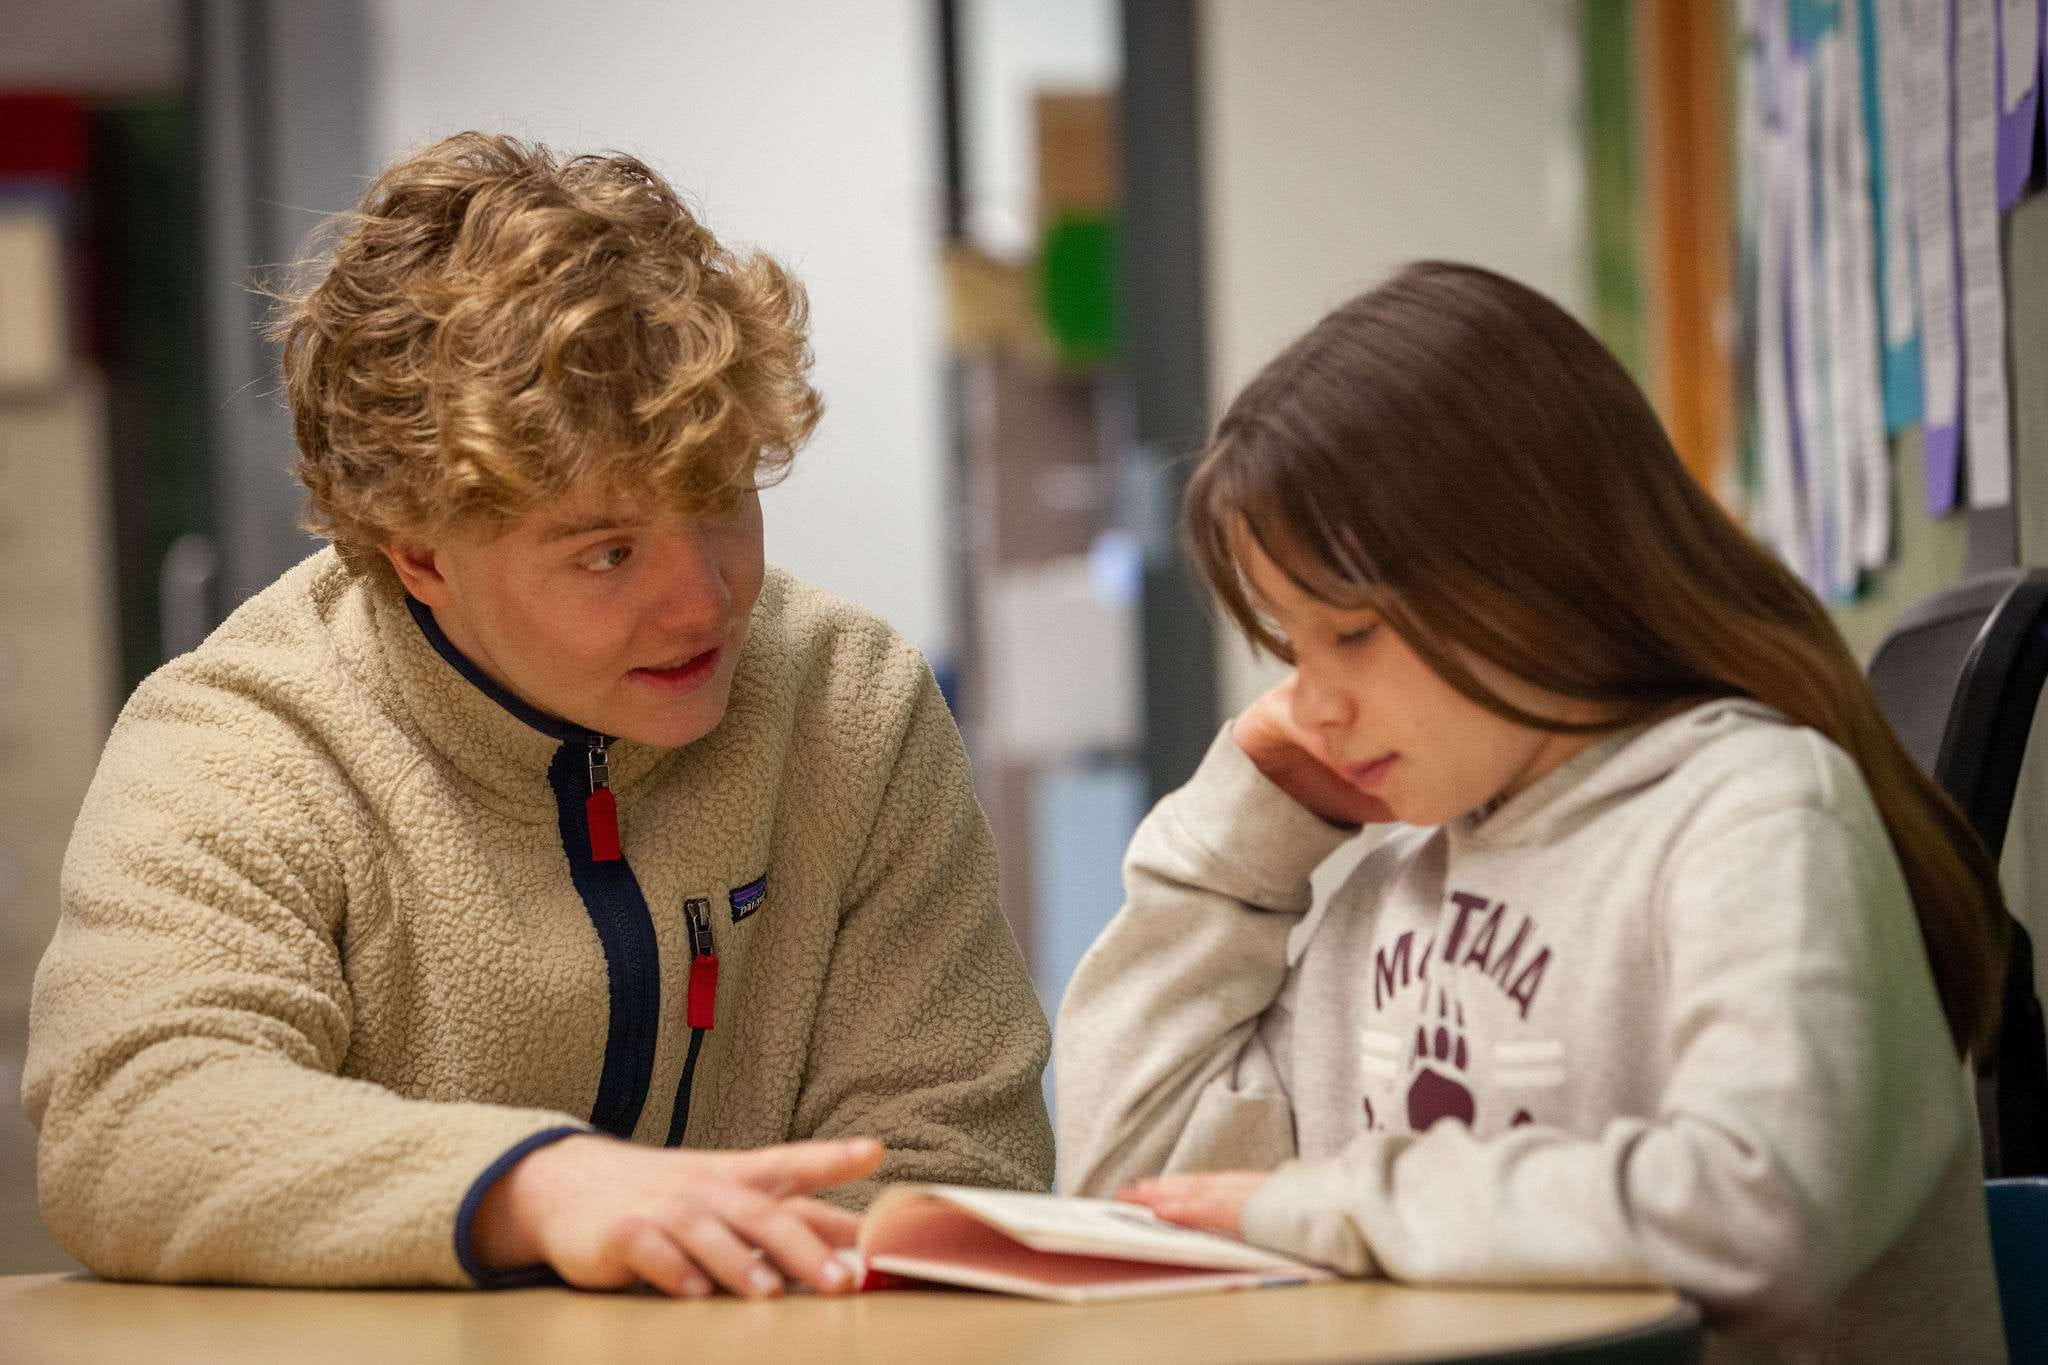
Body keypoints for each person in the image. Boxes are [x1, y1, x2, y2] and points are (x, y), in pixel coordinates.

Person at [24, 132, 1052, 1300]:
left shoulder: (851, 701)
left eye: (719, 506)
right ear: (418, 555)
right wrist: (538, 1187)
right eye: (607, 552)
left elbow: (958, 1168)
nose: (704, 600)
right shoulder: (245, 736)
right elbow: (133, 1121)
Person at [1055, 262, 2008, 1360]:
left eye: (1352, 634)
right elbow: (1134, 1197)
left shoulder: (1753, 815)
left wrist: (1337, 1206)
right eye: (1287, 647)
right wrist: (1230, 844)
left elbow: (1760, 1209)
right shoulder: (1394, 880)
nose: (1308, 707)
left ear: (1528, 562)